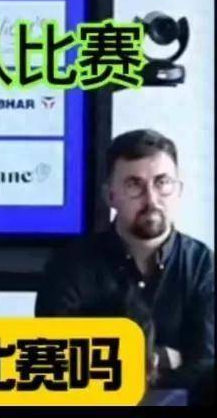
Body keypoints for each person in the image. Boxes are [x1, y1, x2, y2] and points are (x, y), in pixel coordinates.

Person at [36, 129, 214, 397]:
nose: (151, 199)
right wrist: (164, 358)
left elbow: (206, 368)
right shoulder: (69, 264)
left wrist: (115, 361)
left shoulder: (203, 265)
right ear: (110, 195)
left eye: (162, 183)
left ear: (178, 190)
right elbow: (54, 362)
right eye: (134, 185)